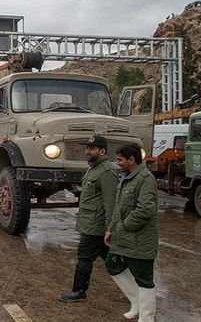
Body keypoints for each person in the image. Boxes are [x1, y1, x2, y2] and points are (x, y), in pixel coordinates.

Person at [59, 136, 119, 302]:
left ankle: (78, 291)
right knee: (111, 258)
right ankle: (136, 287)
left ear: (102, 151)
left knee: (84, 257)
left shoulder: (106, 172)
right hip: (91, 223)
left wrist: (110, 228)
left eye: (92, 149)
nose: (87, 151)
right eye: (87, 148)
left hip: (96, 225)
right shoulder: (94, 169)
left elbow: (110, 203)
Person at [105, 143, 158, 322]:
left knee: (144, 278)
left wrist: (123, 226)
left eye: (120, 160)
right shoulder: (127, 177)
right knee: (112, 264)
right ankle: (136, 303)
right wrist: (111, 229)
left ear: (131, 160)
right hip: (124, 237)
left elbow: (145, 210)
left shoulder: (145, 179)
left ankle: (147, 318)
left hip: (139, 240)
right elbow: (119, 207)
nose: (117, 163)